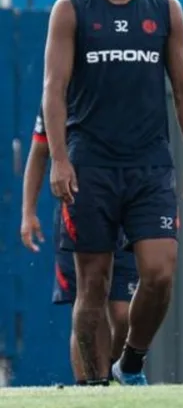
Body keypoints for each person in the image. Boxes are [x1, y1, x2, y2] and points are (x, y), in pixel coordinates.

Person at [42, 0, 183, 387]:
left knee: (159, 272)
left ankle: (130, 364)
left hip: (149, 167)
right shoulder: (71, 10)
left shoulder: (164, 10)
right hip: (90, 168)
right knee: (92, 285)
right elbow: (54, 88)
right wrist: (59, 158)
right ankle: (92, 390)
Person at [20, 109, 139, 385]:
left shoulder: (128, 81)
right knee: (87, 304)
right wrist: (28, 212)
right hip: (78, 211)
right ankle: (87, 387)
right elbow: (39, 152)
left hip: (124, 210)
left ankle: (110, 372)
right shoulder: (58, 93)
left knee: (123, 315)